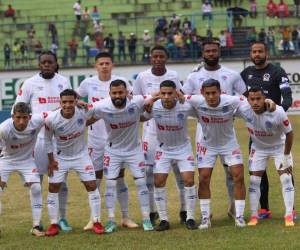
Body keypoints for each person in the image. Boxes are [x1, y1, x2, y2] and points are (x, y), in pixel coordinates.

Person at [182, 40, 247, 219]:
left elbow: (245, 97)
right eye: (207, 51)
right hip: (203, 130)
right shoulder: (193, 76)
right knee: (204, 174)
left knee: (231, 173)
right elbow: (183, 99)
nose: (211, 53)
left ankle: (234, 208)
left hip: (227, 129)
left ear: (219, 52)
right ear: (202, 53)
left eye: (214, 51)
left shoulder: (231, 74)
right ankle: (206, 213)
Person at [76, 52, 138, 231]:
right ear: (96, 66)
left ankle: (125, 217)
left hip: (118, 140)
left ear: (112, 65)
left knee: (119, 178)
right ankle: (94, 218)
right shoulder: (87, 83)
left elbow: (132, 102)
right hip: (95, 140)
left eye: (107, 63)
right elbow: (78, 100)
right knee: (95, 179)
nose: (104, 66)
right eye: (101, 63)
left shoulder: (122, 82)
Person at [15, 51, 72, 231]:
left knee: (61, 181)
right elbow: (17, 109)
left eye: (50, 62)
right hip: (38, 140)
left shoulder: (64, 81)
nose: (47, 65)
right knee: (36, 181)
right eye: (43, 62)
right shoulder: (29, 84)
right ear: (39, 65)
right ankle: (37, 221)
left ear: (56, 64)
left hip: (59, 140)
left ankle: (62, 218)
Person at [88, 79, 154, 233]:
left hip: (134, 150)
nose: (117, 95)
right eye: (114, 93)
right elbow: (83, 113)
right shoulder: (102, 106)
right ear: (109, 94)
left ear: (127, 92)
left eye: (120, 92)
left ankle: (146, 219)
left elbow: (157, 95)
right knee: (110, 184)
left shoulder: (136, 101)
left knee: (140, 183)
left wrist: (152, 100)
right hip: (113, 151)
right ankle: (111, 221)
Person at [133, 45, 187, 226]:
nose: (157, 59)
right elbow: (137, 102)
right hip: (151, 130)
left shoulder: (173, 75)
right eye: (154, 56)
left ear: (166, 58)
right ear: (150, 58)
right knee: (149, 172)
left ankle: (185, 210)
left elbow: (181, 97)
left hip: (172, 128)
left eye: (161, 56)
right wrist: (149, 101)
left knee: (180, 172)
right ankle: (152, 211)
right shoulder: (142, 77)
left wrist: (156, 97)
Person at [240, 41, 294, 219]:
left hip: (276, 130)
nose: (257, 54)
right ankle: (264, 209)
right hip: (257, 132)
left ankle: (290, 210)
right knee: (257, 171)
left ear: (266, 53)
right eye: (254, 51)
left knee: (285, 169)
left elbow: (287, 96)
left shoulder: (277, 71)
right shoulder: (245, 74)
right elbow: (237, 98)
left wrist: (277, 114)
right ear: (250, 54)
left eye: (260, 51)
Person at [44, 89, 103, 236]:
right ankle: (53, 224)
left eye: (71, 101)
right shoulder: (51, 119)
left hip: (81, 156)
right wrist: (51, 161)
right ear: (60, 103)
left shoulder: (83, 112)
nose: (68, 105)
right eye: (65, 102)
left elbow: (98, 110)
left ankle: (96, 221)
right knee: (53, 187)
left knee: (91, 185)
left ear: (76, 102)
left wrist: (86, 106)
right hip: (60, 158)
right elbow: (47, 141)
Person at [143, 80, 197, 231]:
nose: (166, 97)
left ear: (176, 93)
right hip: (163, 150)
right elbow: (139, 117)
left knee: (188, 180)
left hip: (183, 149)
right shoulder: (154, 107)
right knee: (158, 182)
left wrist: (185, 97)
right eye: (163, 93)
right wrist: (149, 100)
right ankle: (164, 220)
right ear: (159, 94)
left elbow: (202, 108)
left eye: (169, 93)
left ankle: (190, 218)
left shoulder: (185, 106)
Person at [238, 86, 294, 226]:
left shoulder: (278, 111)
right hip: (259, 148)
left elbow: (290, 133)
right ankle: (254, 216)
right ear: (248, 100)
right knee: (254, 182)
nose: (255, 102)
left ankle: (288, 216)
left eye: (259, 98)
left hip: (279, 148)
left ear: (264, 99)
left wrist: (286, 156)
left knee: (286, 179)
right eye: (252, 99)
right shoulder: (244, 109)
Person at [0, 103, 45, 237]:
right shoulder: (3, 129)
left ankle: (36, 226)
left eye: (25, 117)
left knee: (36, 188)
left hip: (26, 161)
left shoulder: (36, 121)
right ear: (13, 116)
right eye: (18, 117)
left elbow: (55, 112)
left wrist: (76, 104)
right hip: (6, 160)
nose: (21, 121)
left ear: (29, 117)